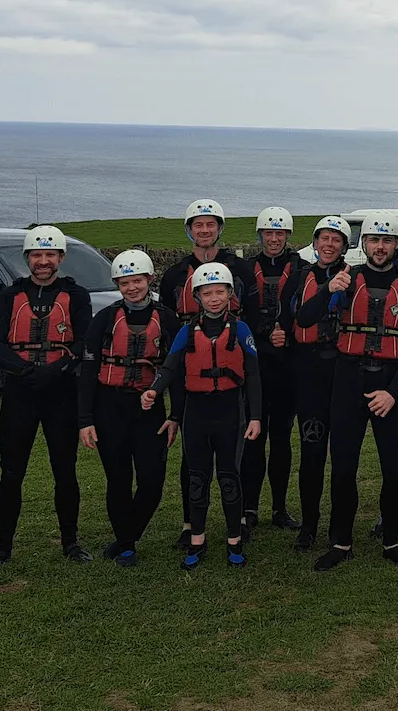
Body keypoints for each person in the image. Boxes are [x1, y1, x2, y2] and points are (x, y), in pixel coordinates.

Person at [313, 214, 398, 572]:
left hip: (391, 386)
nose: (380, 247)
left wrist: (393, 393)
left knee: (394, 471)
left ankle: (391, 541)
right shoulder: (346, 281)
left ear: (397, 245)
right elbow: (303, 319)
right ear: (364, 244)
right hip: (349, 382)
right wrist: (327, 290)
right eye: (374, 240)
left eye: (388, 240)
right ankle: (340, 541)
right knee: (344, 468)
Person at [0, 225, 95, 573]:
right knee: (11, 472)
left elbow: (84, 340)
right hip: (20, 392)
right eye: (36, 255)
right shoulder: (9, 296)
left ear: (60, 257)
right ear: (27, 257)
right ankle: (2, 549)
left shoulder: (76, 296)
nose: (43, 261)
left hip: (60, 392)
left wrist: (57, 369)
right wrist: (23, 369)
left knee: (65, 470)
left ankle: (70, 542)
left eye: (50, 255)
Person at [139, 263, 262, 570]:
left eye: (220, 291)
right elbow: (170, 366)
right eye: (207, 293)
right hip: (197, 412)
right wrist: (154, 390)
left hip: (231, 411)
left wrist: (256, 417)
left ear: (230, 294)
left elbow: (254, 376)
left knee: (229, 479)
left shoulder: (241, 330)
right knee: (197, 479)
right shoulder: (186, 331)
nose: (214, 298)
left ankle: (234, 540)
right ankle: (197, 539)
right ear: (198, 296)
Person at [158, 199, 258, 549]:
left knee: (240, 450)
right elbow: (166, 323)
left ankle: (242, 518)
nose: (204, 230)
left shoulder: (240, 271)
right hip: (190, 368)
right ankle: (191, 525)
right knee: (193, 457)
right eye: (197, 225)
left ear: (219, 228)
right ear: (189, 230)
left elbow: (255, 317)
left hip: (233, 370)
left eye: (210, 224)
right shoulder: (174, 275)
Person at [77, 250, 180, 567]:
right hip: (111, 407)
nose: (132, 287)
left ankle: (127, 535)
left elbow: (176, 371)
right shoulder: (105, 319)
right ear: (117, 284)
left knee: (152, 480)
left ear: (149, 280)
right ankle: (126, 547)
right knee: (118, 480)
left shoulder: (166, 319)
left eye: (137, 281)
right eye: (124, 282)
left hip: (149, 409)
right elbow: (87, 373)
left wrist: (176, 415)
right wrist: (85, 419)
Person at [278, 215, 354, 553]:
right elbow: (293, 318)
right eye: (323, 237)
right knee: (311, 452)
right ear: (315, 241)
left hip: (342, 372)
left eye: (336, 239)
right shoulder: (298, 278)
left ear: (345, 246)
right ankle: (308, 526)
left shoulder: (357, 278)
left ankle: (339, 529)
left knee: (342, 456)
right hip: (307, 371)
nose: (328, 244)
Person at [241, 206, 301, 536]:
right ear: (260, 235)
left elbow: (307, 311)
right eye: (269, 233)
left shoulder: (302, 270)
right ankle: (250, 507)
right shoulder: (247, 270)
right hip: (254, 365)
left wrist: (288, 334)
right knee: (253, 437)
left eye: (280, 233)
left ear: (288, 236)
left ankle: (279, 507)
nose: (274, 238)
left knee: (280, 439)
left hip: (286, 366)